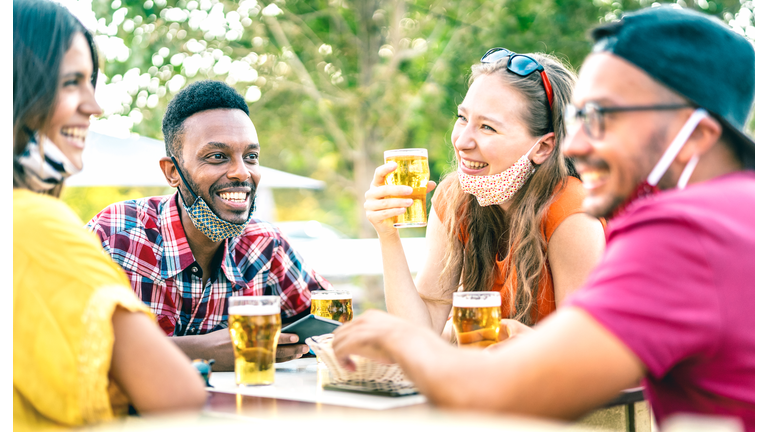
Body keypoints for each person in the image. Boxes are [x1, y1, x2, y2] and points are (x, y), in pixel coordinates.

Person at [332, 6, 754, 431]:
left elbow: (520, 388)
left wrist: (398, 339)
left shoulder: (681, 233)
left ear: (695, 136)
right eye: (581, 117)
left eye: (607, 117)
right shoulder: (732, 211)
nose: (579, 143)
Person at [13, 0, 208, 429]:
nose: (94, 105)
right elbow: (178, 394)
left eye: (91, 83)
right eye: (69, 83)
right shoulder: (34, 224)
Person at [86, 80, 333, 371]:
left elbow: (332, 324)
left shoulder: (265, 244)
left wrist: (296, 344)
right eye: (217, 157)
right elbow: (65, 343)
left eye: (251, 157)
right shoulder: (115, 234)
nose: (242, 172)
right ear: (172, 172)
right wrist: (202, 352)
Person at [364, 48, 605, 338]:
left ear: (543, 147)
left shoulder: (572, 210)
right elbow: (420, 332)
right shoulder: (454, 198)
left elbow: (584, 347)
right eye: (463, 118)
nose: (462, 141)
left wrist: (518, 339)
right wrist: (387, 233)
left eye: (487, 127)